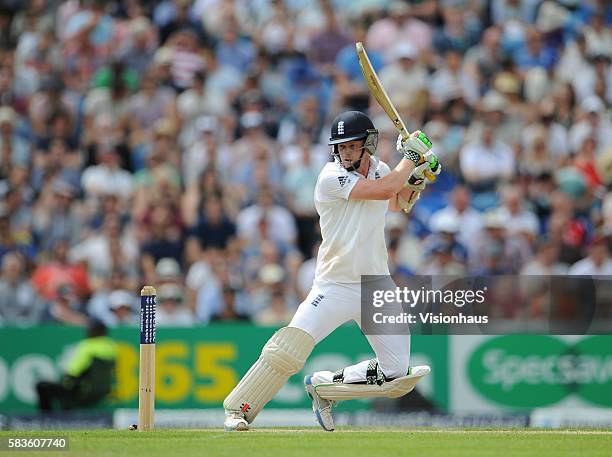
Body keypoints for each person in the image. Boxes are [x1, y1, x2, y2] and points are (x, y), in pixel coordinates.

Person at [223, 111, 440, 431]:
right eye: (341, 147)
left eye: (352, 146)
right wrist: (410, 157)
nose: (345, 153)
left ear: (368, 144)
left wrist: (419, 175)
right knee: (288, 349)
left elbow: (396, 202)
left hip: (376, 286)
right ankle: (238, 409)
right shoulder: (330, 177)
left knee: (397, 375)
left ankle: (324, 387)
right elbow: (381, 191)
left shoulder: (380, 169)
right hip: (335, 285)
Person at [35, 319, 118, 412]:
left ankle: (46, 420)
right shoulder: (112, 347)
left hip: (82, 392)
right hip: (102, 392)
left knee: (42, 386)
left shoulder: (87, 346)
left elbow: (72, 372)